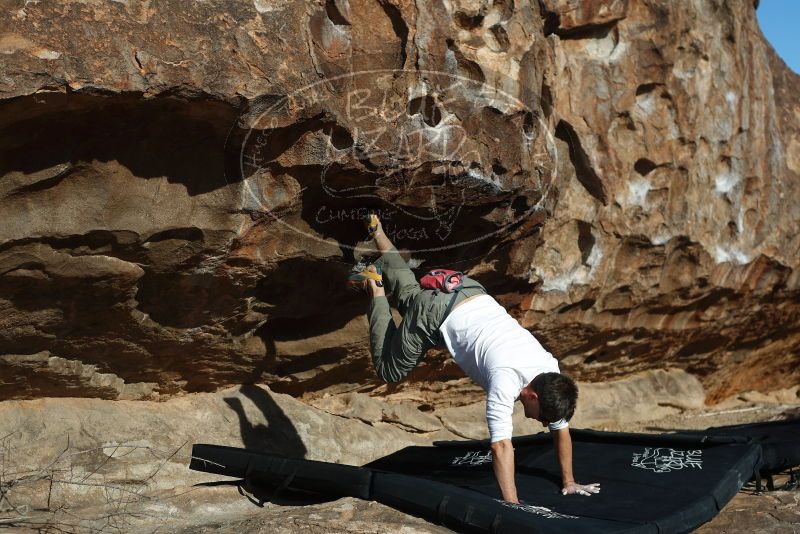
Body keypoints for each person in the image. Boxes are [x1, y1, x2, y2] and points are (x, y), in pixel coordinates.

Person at [351, 214, 600, 503]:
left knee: (410, 298)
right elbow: (501, 448)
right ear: (531, 395)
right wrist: (512, 505)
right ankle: (376, 287)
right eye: (541, 418)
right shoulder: (504, 381)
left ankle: (377, 230)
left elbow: (561, 430)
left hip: (469, 291)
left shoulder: (550, 371)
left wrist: (569, 481)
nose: (541, 425)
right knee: (390, 369)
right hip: (439, 312)